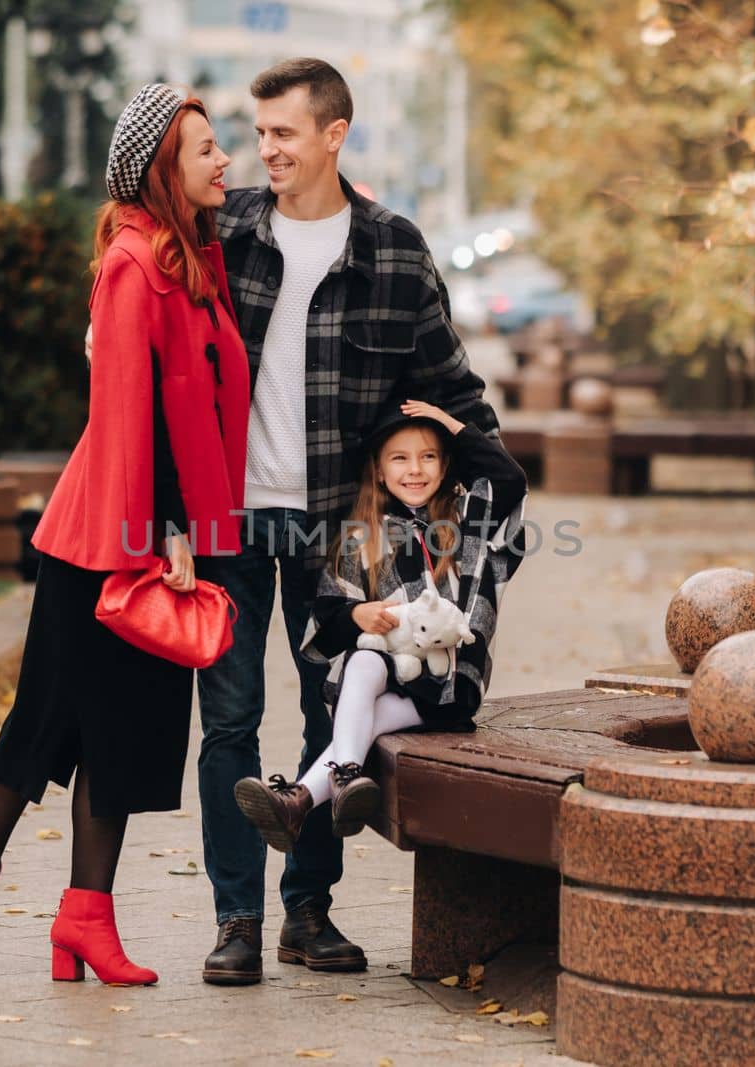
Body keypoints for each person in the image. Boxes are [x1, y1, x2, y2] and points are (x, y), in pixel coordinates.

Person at [0, 84, 248, 987]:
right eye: (206, 151)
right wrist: (167, 529)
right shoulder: (133, 266)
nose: (225, 161)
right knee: (61, 724)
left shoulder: (185, 258)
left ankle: (75, 917)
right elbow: (128, 414)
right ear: (161, 171)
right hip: (108, 538)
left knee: (108, 728)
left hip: (147, 530)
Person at [198, 56, 498, 984]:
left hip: (342, 536)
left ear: (334, 134)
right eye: (259, 135)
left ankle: (307, 911)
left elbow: (458, 397)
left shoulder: (395, 252)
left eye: (284, 133)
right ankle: (238, 921)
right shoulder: (227, 232)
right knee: (229, 723)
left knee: (334, 710)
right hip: (233, 520)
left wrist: (491, 518)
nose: (267, 151)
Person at [233, 399, 527, 866]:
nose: (415, 469)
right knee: (365, 663)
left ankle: (318, 786)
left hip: (450, 689)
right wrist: (359, 616)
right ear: (379, 470)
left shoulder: (469, 523)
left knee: (362, 711)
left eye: (429, 456)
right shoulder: (363, 535)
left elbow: (510, 479)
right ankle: (314, 793)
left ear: (446, 463)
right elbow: (327, 623)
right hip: (391, 684)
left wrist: (453, 426)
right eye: (400, 458)